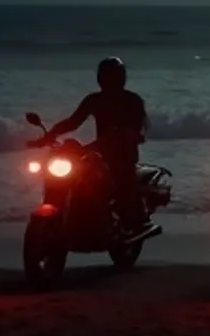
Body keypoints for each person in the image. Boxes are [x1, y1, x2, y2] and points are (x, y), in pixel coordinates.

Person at [36, 57, 149, 239]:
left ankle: (133, 223)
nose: (108, 80)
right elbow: (74, 121)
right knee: (74, 175)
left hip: (123, 154)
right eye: (105, 75)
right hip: (100, 152)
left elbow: (139, 128)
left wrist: (127, 135)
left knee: (121, 184)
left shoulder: (132, 101)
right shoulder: (94, 100)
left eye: (112, 76)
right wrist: (51, 134)